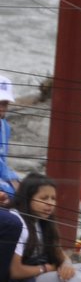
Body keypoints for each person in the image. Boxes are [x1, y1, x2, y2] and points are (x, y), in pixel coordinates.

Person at [0, 75, 19, 205]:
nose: (2, 108)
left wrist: (13, 179)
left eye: (5, 103)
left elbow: (2, 159)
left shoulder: (5, 127)